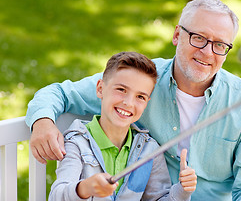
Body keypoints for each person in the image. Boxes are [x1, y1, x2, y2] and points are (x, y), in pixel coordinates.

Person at [27, 0, 241, 200]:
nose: (207, 52)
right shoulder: (141, 83)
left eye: (220, 45)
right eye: (198, 38)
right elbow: (58, 93)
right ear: (177, 35)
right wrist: (42, 122)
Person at [49, 51, 197, 200]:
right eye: (121, 90)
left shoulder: (150, 150)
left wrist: (182, 191)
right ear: (100, 88)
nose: (128, 103)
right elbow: (57, 195)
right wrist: (85, 188)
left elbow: (158, 198)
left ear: (146, 102)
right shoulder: (77, 143)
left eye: (140, 97)